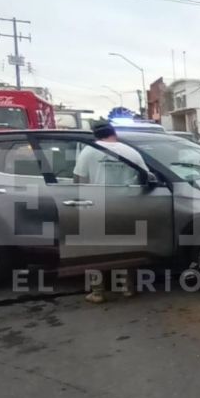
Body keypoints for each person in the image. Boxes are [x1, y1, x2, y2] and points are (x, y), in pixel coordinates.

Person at [73, 120, 148, 303]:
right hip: (125, 204)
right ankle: (127, 287)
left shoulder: (88, 151)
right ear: (113, 132)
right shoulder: (131, 152)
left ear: (95, 135)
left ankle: (97, 292)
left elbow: (78, 181)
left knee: (95, 250)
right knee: (124, 246)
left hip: (97, 204)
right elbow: (145, 177)